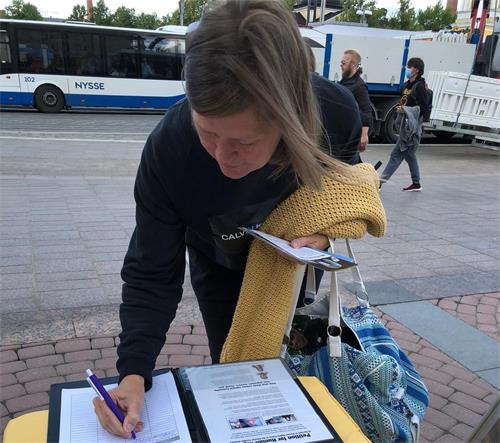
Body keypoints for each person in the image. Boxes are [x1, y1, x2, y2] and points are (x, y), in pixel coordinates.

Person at [92, 0, 365, 438]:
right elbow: (152, 269)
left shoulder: (335, 114)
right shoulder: (170, 151)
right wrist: (133, 372)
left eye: (245, 141)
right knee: (235, 366)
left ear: (291, 117)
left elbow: (345, 187)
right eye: (208, 133)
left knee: (300, 361)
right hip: (217, 258)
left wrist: (323, 231)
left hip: (290, 261)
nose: (222, 157)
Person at [380, 57, 428, 192]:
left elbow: (423, 108)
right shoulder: (407, 85)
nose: (407, 69)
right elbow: (403, 100)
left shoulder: (420, 86)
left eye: (410, 67)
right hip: (404, 124)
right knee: (410, 155)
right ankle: (416, 183)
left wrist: (406, 110)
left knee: (396, 155)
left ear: (416, 70)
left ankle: (379, 182)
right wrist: (401, 109)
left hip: (410, 128)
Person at [339, 49, 372, 154]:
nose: (341, 65)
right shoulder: (343, 81)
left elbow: (366, 111)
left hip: (350, 135)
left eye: (343, 63)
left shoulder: (359, 86)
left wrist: (364, 135)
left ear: (353, 65)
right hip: (341, 132)